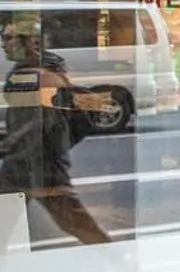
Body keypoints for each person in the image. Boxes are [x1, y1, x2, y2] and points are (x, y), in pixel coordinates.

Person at [0, 15, 110, 245]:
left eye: (9, 38)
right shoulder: (26, 72)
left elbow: (40, 126)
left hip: (42, 170)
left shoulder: (42, 77)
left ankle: (125, 262)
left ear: (30, 42)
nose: (3, 43)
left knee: (80, 226)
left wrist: (6, 146)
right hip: (22, 167)